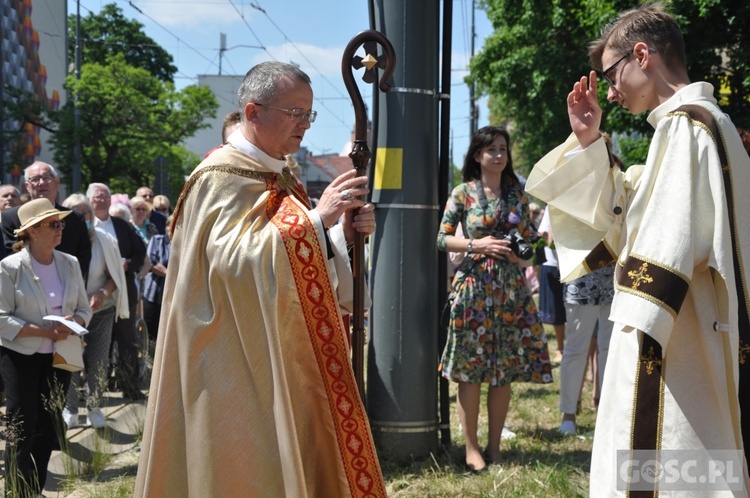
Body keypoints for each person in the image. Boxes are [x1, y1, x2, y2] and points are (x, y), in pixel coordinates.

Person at [526, 3, 750, 494]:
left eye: (611, 73)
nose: (608, 89)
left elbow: (660, 246)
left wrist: (634, 334)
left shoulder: (686, 127)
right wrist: (590, 143)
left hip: (667, 335)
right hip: (692, 326)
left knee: (664, 464)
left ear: (642, 55)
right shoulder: (708, 123)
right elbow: (633, 209)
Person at [135, 61, 385, 496]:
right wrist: (314, 224)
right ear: (253, 112)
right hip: (228, 357)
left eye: (309, 114)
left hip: (283, 351)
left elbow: (297, 257)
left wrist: (338, 233)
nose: (304, 125)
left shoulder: (280, 173)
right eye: (295, 113)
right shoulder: (218, 178)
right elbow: (230, 266)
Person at [437, 126, 552, 472]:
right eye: (492, 150)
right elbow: (441, 239)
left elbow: (533, 242)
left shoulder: (517, 194)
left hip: (509, 289)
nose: (499, 155)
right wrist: (478, 244)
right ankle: (471, 448)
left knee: (503, 371)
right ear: (477, 156)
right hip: (473, 287)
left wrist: (525, 253)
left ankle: (495, 446)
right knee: (470, 371)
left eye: (503, 149)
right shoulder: (462, 194)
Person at [0, 198, 92, 495]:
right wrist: (43, 331)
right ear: (32, 231)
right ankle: (16, 490)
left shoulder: (70, 263)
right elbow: (1, 317)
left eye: (60, 223)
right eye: (53, 224)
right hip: (20, 357)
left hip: (60, 355)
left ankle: (34, 488)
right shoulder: (10, 267)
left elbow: (83, 308)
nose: (60, 229)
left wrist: (73, 321)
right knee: (22, 427)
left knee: (49, 427)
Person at [61, 194, 128, 429]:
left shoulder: (104, 239)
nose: (81, 219)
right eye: (74, 214)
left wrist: (101, 293)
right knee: (69, 360)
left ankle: (95, 406)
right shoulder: (60, 241)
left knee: (99, 360)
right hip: (70, 313)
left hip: (100, 310)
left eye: (85, 213)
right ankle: (70, 409)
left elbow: (114, 277)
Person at [87, 183, 147, 401]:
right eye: (97, 197)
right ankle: (93, 390)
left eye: (106, 196)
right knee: (95, 344)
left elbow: (141, 254)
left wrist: (127, 265)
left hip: (122, 291)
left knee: (126, 341)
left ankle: (129, 386)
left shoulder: (122, 226)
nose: (102, 200)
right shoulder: (85, 225)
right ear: (89, 200)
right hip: (92, 293)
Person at [1, 162, 91, 282]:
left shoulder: (74, 218)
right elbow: (10, 256)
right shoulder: (11, 217)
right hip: (26, 288)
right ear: (27, 186)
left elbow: (83, 258)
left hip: (67, 287)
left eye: (46, 178)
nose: (41, 183)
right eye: (35, 179)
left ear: (57, 182)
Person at [557, 263, 614, 436]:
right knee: (575, 349)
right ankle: (568, 415)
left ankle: (608, 418)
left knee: (611, 351)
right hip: (582, 273)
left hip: (617, 276)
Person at [537, 208, 565, 361]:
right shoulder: (551, 205)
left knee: (572, 311)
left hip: (572, 264)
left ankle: (567, 348)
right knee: (556, 311)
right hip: (552, 263)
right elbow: (543, 233)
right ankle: (560, 348)